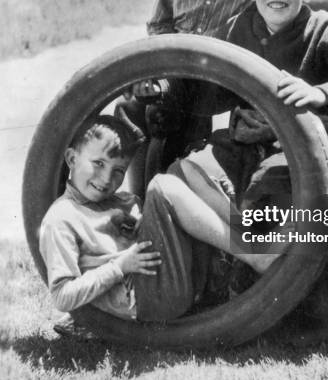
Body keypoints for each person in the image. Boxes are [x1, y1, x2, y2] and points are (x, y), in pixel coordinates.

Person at [173, 0, 328, 339]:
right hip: (249, 142)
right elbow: (208, 94)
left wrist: (319, 93)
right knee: (187, 174)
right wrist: (169, 85)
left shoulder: (326, 29)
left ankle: (304, 311)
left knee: (272, 186)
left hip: (320, 152)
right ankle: (213, 289)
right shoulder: (236, 27)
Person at [39, 115, 277, 336]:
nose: (106, 178)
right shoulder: (62, 218)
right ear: (71, 158)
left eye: (118, 170)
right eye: (98, 163)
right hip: (145, 297)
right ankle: (254, 255)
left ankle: (247, 238)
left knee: (184, 169)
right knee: (161, 186)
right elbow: (62, 296)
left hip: (158, 276)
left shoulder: (120, 202)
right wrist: (118, 266)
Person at [117, 0, 254, 192]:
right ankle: (129, 190)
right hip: (175, 72)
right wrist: (158, 69)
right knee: (135, 106)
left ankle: (162, 196)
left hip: (221, 81)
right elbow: (159, 26)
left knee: (168, 116)